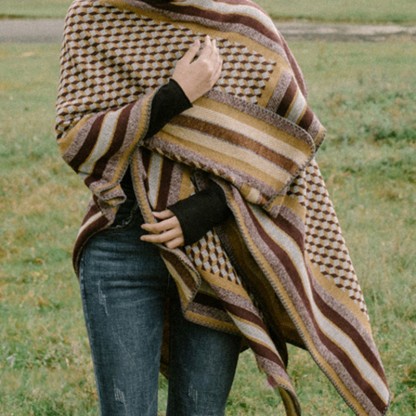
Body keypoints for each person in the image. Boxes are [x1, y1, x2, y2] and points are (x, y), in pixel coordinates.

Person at [56, 1, 390, 415]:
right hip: (120, 248)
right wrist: (176, 94)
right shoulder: (94, 15)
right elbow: (74, 139)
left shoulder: (243, 25)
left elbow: (287, 147)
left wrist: (206, 209)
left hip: (216, 252)